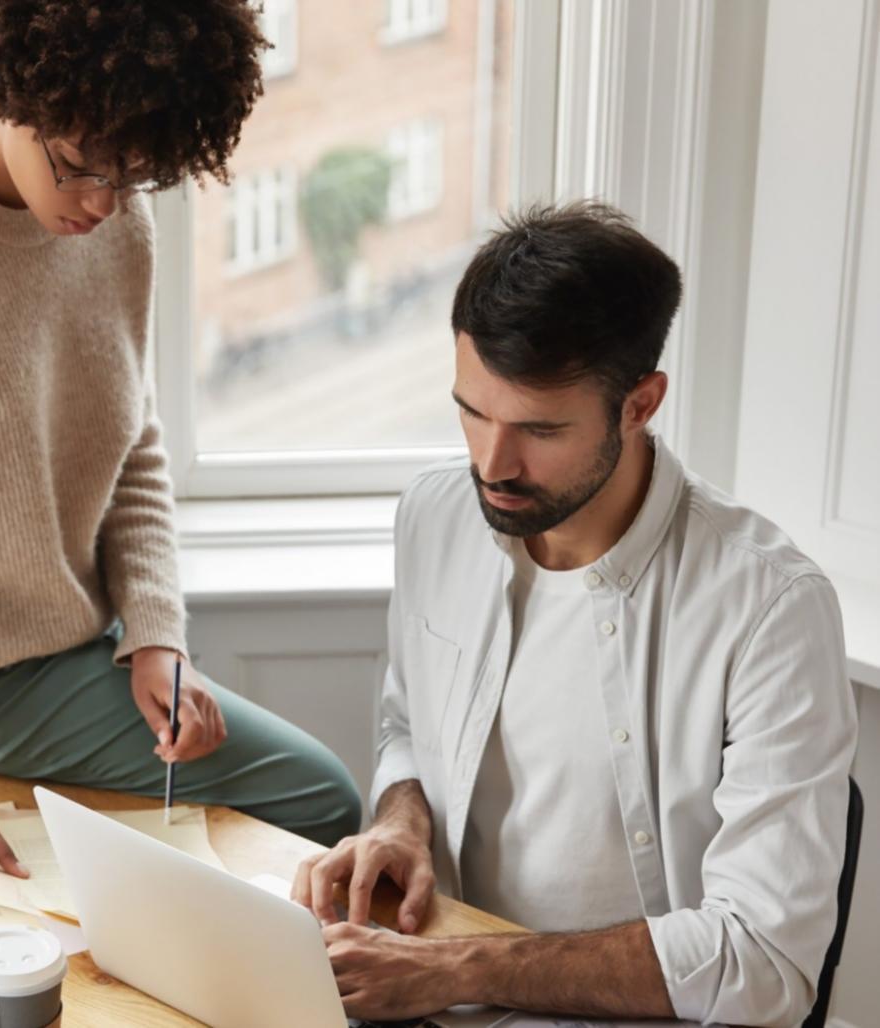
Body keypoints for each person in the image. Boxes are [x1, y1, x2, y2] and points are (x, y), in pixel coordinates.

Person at [0, 0, 362, 899]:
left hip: (82, 633)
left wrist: (155, 635)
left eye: (135, 178)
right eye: (78, 170)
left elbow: (132, 443)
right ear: (8, 93)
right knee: (321, 795)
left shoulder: (111, 216)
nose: (102, 204)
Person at [293, 201, 858, 1026]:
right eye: (472, 411)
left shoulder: (770, 607)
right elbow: (407, 728)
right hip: (434, 989)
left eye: (538, 429)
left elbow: (761, 961)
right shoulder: (434, 516)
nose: (491, 463)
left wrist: (457, 969)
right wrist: (400, 824)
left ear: (639, 404)